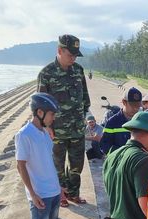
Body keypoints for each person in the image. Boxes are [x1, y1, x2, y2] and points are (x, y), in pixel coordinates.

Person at [37, 34, 91, 207]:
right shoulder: (46, 74)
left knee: (77, 165)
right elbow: (40, 105)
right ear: (59, 50)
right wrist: (47, 127)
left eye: (76, 55)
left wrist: (84, 117)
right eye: (70, 55)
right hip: (56, 130)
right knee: (57, 165)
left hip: (77, 128)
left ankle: (73, 193)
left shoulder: (78, 70)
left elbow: (85, 98)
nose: (73, 58)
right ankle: (60, 194)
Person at [15, 93, 62, 219]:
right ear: (40, 112)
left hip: (53, 191)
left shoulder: (44, 133)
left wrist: (60, 188)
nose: (53, 118)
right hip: (40, 195)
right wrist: (33, 194)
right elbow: (21, 166)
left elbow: (47, 162)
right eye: (51, 114)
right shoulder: (24, 135)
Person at [100, 87, 143, 155]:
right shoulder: (112, 122)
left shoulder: (142, 121)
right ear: (124, 102)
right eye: (133, 106)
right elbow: (105, 146)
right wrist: (122, 155)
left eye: (138, 106)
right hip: (118, 162)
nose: (136, 109)